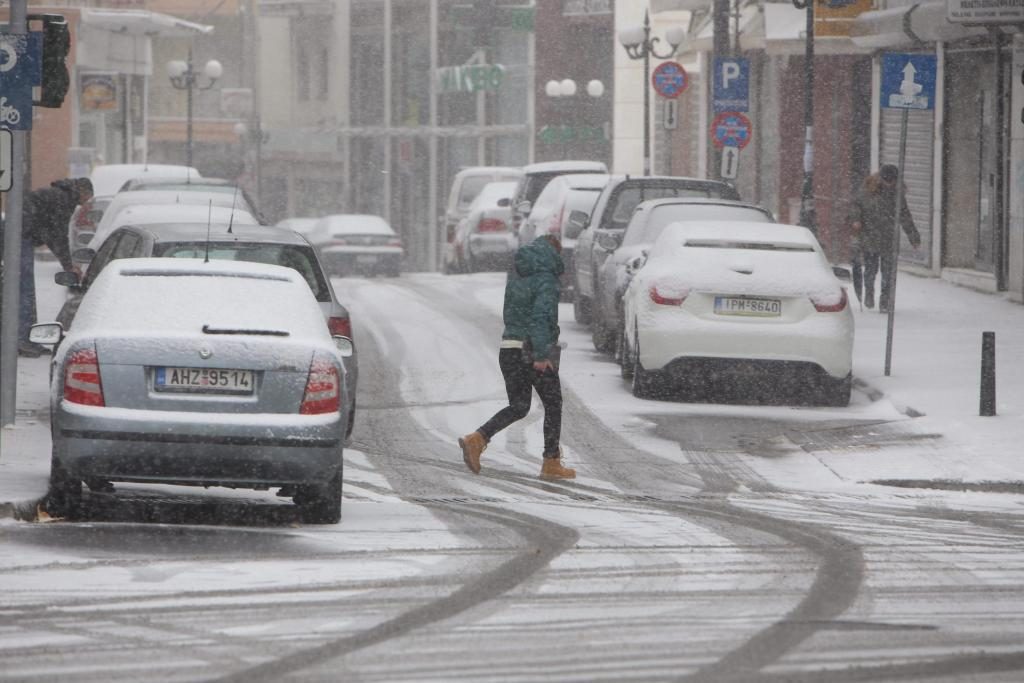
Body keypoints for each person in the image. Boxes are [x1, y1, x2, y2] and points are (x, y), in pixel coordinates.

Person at [458, 233, 575, 480]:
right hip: (531, 349)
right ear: (554, 253)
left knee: (519, 406)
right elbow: (541, 316)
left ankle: (477, 438)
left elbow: (516, 312)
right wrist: (542, 354)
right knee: (553, 403)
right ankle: (551, 462)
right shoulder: (546, 277)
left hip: (509, 347)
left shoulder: (518, 272)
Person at [11, 177, 91, 356]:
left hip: (19, 232)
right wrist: (69, 266)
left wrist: (67, 264)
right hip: (19, 236)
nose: (84, 204)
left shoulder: (60, 195)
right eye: (86, 199)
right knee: (24, 291)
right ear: (83, 192)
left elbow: (52, 232)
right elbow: (58, 234)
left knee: (24, 291)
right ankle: (23, 340)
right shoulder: (63, 200)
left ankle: (26, 338)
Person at [849, 164, 920, 313]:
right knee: (870, 270)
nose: (889, 184)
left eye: (892, 181)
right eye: (886, 180)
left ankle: (885, 301)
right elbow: (856, 205)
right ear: (880, 178)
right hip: (870, 237)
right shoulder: (867, 189)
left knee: (888, 273)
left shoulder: (897, 194)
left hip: (889, 239)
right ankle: (869, 293)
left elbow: (905, 216)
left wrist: (913, 237)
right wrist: (856, 219)